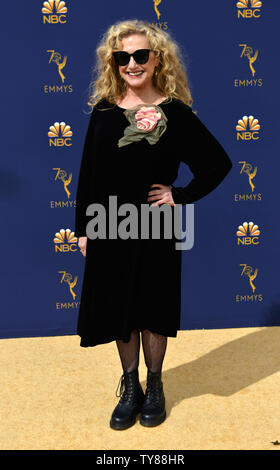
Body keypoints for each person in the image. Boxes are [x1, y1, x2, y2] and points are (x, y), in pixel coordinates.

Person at [74, 19, 233, 431]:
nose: (132, 63)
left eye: (140, 55)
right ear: (114, 63)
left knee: (152, 306)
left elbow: (218, 164)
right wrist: (83, 228)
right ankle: (130, 386)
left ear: (156, 58)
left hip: (155, 225)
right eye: (122, 57)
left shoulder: (176, 113)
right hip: (108, 225)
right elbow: (88, 173)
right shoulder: (104, 111)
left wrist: (178, 195)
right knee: (117, 308)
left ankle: (155, 384)